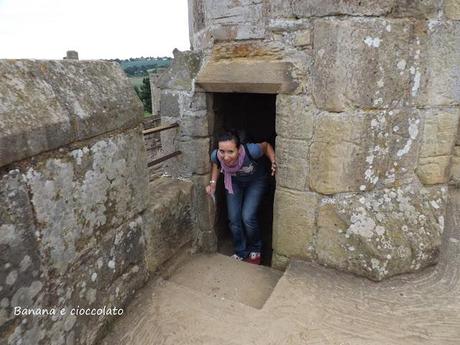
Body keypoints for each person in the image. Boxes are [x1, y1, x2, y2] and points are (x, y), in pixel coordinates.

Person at [205, 130, 276, 265]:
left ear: (239, 149)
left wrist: (273, 161)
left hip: (256, 181)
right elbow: (216, 162)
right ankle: (240, 251)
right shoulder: (217, 155)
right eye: (222, 151)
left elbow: (266, 146)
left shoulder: (251, 151)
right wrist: (213, 183)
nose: (225, 157)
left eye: (230, 152)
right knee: (234, 219)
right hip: (233, 182)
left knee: (247, 217)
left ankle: (255, 249)